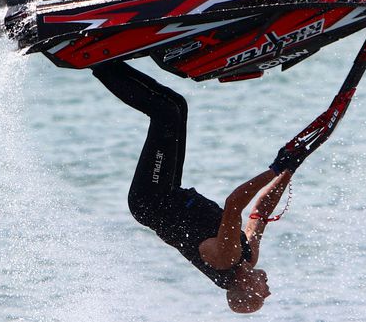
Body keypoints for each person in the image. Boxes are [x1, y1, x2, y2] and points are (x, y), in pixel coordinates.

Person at [92, 60, 317, 314]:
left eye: (262, 295)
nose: (269, 290)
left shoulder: (226, 258)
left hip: (151, 201)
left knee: (165, 114)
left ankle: (95, 62)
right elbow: (260, 213)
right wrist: (289, 171)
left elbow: (234, 205)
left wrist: (274, 169)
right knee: (177, 106)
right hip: (170, 193)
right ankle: (108, 61)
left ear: (245, 286)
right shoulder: (247, 257)